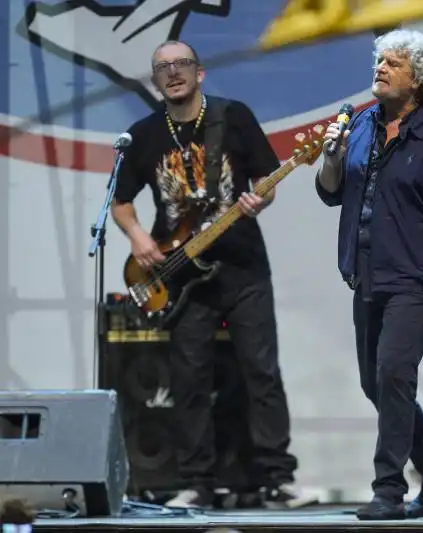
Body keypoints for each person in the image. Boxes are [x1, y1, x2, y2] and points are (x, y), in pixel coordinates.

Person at [111, 40, 313, 510]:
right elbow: (120, 204)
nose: (173, 72)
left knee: (262, 372)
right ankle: (197, 480)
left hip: (242, 266)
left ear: (200, 73)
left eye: (182, 64)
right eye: (163, 67)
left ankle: (277, 478)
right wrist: (139, 237)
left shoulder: (233, 116)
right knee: (189, 378)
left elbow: (267, 182)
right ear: (156, 80)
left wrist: (258, 200)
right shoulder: (143, 135)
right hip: (178, 275)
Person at [315, 29, 423, 520]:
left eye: (394, 62)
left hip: (417, 278)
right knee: (376, 382)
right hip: (366, 273)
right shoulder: (363, 125)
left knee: (394, 373)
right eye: (379, 60)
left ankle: (388, 488)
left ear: (420, 79)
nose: (381, 68)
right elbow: (331, 192)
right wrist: (330, 154)